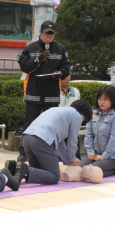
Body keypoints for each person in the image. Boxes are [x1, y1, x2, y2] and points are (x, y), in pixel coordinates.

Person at [17, 20, 71, 162]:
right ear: (40, 33)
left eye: (51, 35)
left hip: (52, 93)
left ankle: (52, 151)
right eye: (46, 34)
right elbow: (24, 66)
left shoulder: (60, 49)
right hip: (33, 93)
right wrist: (37, 60)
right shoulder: (31, 48)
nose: (49, 38)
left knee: (52, 124)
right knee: (30, 123)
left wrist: (60, 72)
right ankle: (24, 152)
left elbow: (66, 67)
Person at [5, 100, 92, 185]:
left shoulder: (58, 111)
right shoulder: (77, 116)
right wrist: (72, 159)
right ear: (83, 115)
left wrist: (66, 160)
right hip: (42, 140)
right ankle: (24, 169)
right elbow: (72, 141)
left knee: (38, 171)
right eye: (84, 120)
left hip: (27, 138)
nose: (82, 121)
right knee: (54, 176)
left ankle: (14, 168)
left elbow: (60, 143)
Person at [82, 85, 115, 177]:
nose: (101, 102)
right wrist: (91, 152)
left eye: (105, 99)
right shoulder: (93, 112)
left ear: (112, 100)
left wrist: (104, 156)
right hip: (96, 156)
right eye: (99, 99)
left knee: (90, 171)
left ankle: (114, 170)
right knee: (79, 169)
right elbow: (88, 134)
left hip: (112, 157)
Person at [59, 72, 82, 159]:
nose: (63, 79)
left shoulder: (76, 91)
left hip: (72, 126)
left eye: (66, 76)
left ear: (70, 77)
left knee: (75, 152)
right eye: (61, 77)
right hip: (58, 127)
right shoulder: (53, 91)